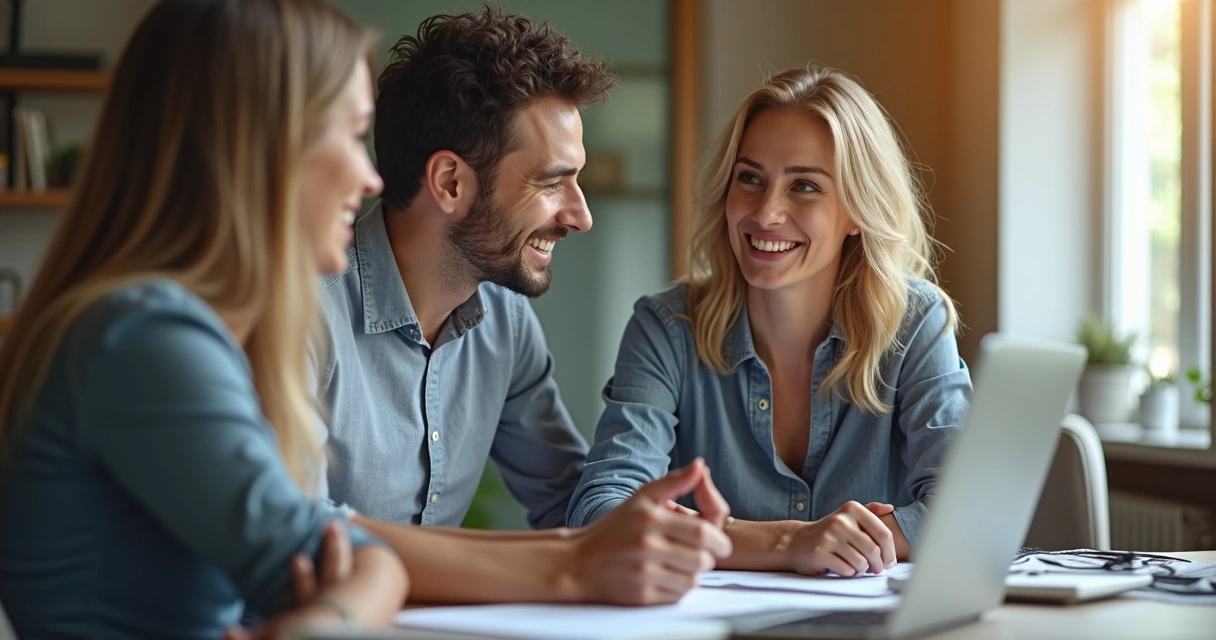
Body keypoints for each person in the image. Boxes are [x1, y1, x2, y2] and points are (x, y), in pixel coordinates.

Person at [0, 1, 408, 637]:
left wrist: (336, 604)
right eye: (355, 135)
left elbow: (359, 556)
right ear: (266, 145)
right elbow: (342, 556)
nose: (372, 177)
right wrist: (332, 616)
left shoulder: (167, 331)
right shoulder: (143, 339)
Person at [317, 5, 731, 604]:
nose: (581, 216)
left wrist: (746, 539)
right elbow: (304, 538)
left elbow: (571, 505)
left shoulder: (505, 324)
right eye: (551, 182)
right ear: (450, 182)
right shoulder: (304, 314)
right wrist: (571, 564)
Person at [568, 66, 973, 578]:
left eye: (804, 185)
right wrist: (787, 542)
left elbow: (967, 506)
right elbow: (602, 508)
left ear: (857, 211)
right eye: (750, 178)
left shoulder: (915, 323)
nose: (765, 213)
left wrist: (848, 543)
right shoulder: (666, 327)